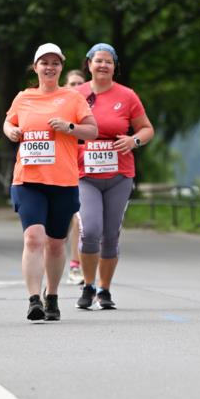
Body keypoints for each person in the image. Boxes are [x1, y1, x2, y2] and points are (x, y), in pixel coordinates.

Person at [3, 43, 97, 321]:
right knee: (33, 238)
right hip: (28, 179)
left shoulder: (73, 98)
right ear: (36, 67)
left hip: (63, 181)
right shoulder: (24, 97)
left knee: (56, 243)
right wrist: (12, 131)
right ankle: (34, 299)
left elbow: (92, 131)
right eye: (44, 62)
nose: (50, 67)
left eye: (55, 63)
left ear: (61, 67)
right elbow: (8, 123)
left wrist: (69, 128)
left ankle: (52, 295)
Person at [75, 43, 154, 310]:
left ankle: (104, 289)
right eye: (98, 61)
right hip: (84, 174)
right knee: (91, 231)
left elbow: (146, 129)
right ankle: (87, 285)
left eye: (108, 61)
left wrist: (134, 141)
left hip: (119, 173)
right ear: (89, 64)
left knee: (111, 234)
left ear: (114, 66)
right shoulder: (75, 95)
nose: (103, 66)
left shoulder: (127, 96)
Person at [63, 70, 86, 285]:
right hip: (64, 166)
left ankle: (76, 265)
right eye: (73, 83)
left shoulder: (88, 107)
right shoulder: (59, 106)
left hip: (88, 168)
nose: (77, 87)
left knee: (80, 220)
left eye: (81, 83)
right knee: (67, 220)